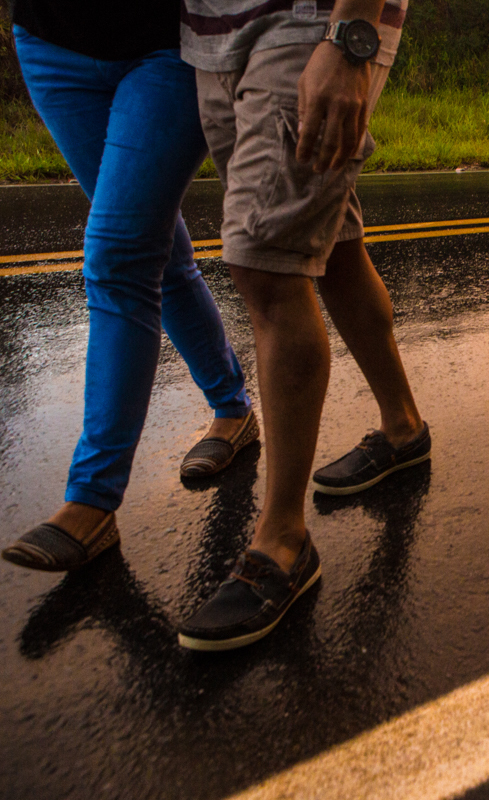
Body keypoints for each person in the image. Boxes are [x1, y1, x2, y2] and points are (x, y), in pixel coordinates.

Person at [174, 0, 428, 652]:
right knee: (332, 244)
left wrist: (350, 39)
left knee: (267, 266)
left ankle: (283, 543)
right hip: (214, 35)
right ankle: (403, 428)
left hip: (310, 21)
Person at [2, 1, 257, 573]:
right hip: (51, 45)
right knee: (151, 251)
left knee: (120, 253)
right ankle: (232, 407)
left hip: (169, 46)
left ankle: (91, 499)